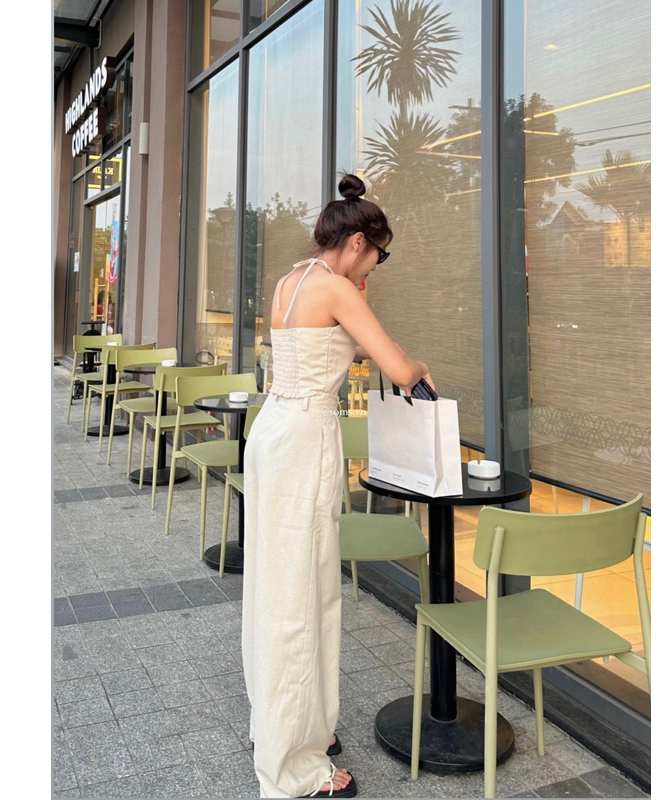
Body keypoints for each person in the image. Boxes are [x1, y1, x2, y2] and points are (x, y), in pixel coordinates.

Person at [241, 174, 434, 798]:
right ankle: (294, 766)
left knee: (275, 587)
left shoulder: (290, 281)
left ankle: (284, 726)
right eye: (378, 256)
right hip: (304, 441)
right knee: (303, 595)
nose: (374, 269)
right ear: (356, 243)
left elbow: (328, 351)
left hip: (271, 432)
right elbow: (397, 367)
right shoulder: (338, 288)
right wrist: (421, 367)